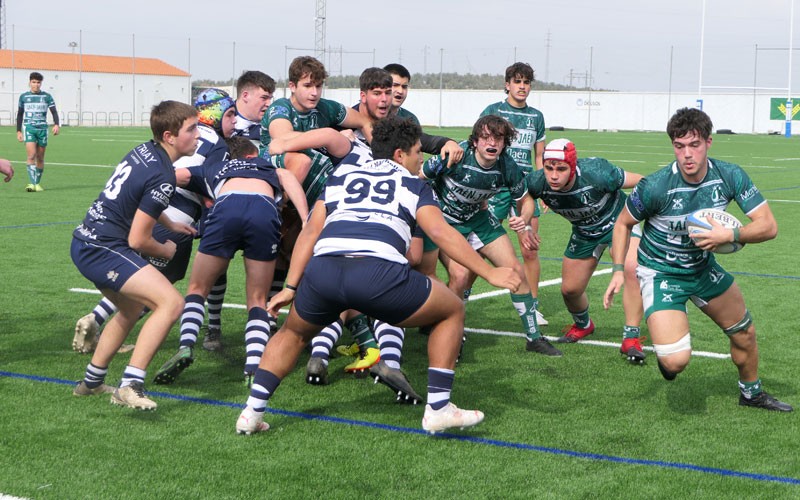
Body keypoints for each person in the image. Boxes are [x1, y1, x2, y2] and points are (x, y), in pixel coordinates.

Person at [235, 116, 521, 435]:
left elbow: (310, 232)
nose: (421, 159)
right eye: (417, 152)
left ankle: (251, 412)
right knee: (452, 309)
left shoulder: (342, 176)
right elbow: (441, 232)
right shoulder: (413, 184)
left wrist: (290, 286)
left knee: (291, 333)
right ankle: (439, 408)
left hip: (324, 270)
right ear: (400, 155)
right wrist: (489, 272)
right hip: (376, 272)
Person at [603, 107, 792, 411]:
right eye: (679, 146)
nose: (687, 154)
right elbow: (623, 223)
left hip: (702, 269)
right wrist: (616, 269)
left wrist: (730, 236)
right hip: (662, 273)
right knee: (676, 361)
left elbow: (768, 226)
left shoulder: (729, 176)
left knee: (744, 332)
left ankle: (751, 393)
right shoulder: (656, 186)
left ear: (708, 143)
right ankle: (669, 343)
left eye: (695, 145)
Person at [72, 88, 237, 355]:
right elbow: (206, 180)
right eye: (230, 115)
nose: (235, 122)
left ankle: (97, 326)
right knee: (163, 290)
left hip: (140, 216)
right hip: (172, 215)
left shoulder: (148, 148)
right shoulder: (215, 144)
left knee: (133, 274)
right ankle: (131, 372)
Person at [70, 100, 199, 411]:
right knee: (171, 303)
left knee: (131, 309)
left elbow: (139, 198)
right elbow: (139, 239)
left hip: (85, 241)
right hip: (103, 248)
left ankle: (91, 383)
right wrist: (166, 249)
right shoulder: (164, 175)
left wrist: (170, 223)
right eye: (192, 129)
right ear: (170, 136)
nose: (198, 135)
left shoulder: (145, 150)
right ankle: (130, 384)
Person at [154, 136, 308, 386]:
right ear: (253, 155)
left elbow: (173, 176)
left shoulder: (214, 168)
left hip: (227, 207)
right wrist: (305, 219)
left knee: (197, 289)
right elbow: (290, 180)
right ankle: (254, 364)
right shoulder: (268, 167)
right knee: (258, 299)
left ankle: (186, 345)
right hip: (263, 209)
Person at [420, 114, 561, 357]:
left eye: (498, 138)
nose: (491, 143)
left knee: (516, 271)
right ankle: (451, 334)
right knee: (460, 275)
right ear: (474, 141)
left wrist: (524, 220)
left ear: (505, 143)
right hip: (445, 222)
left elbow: (525, 201)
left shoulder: (507, 166)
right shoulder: (455, 156)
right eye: (485, 137)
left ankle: (534, 337)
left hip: (478, 220)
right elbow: (417, 179)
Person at [513, 138, 646, 363]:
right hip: (584, 233)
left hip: (618, 225)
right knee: (570, 290)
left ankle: (631, 338)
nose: (554, 175)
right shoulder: (537, 181)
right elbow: (524, 198)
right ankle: (584, 325)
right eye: (549, 168)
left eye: (561, 169)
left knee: (631, 268)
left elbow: (644, 183)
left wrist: (639, 216)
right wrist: (526, 226)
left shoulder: (598, 172)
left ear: (573, 167)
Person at [480, 62, 548, 326]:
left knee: (529, 249)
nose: (522, 87)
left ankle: (533, 305)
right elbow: (479, 142)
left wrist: (541, 189)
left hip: (525, 189)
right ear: (507, 84)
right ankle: (459, 296)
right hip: (497, 187)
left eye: (527, 82)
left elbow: (539, 155)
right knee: (480, 245)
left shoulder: (537, 116)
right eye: (517, 81)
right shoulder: (493, 111)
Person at [17, 71, 59, 192]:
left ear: (41, 83)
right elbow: (20, 114)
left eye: (38, 82)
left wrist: (56, 124)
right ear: (29, 82)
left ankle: (37, 183)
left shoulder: (47, 96)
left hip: (42, 129)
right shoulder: (24, 97)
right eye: (33, 82)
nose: (36, 84)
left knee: (40, 157)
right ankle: (31, 183)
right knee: (31, 155)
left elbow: (54, 112)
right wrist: (18, 131)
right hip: (29, 128)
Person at [232, 70, 275, 146]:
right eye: (264, 98)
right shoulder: (221, 121)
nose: (269, 104)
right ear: (245, 96)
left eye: (270, 99)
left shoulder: (275, 121)